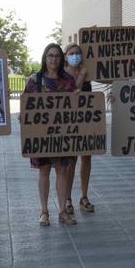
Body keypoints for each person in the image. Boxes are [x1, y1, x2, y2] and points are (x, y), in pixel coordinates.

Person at [26, 44, 78, 226]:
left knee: (62, 170)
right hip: (42, 134)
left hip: (63, 134)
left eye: (56, 56)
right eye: (50, 55)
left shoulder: (68, 80)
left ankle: (62, 211)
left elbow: (77, 106)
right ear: (44, 58)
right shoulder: (35, 80)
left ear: (61, 58)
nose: (53, 59)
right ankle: (44, 211)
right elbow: (26, 105)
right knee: (44, 170)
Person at [62, 43, 96, 215]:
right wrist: (82, 75)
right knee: (70, 161)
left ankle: (84, 196)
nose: (75, 56)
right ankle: (67, 199)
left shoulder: (88, 72)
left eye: (78, 53)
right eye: (72, 53)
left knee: (86, 158)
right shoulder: (62, 74)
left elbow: (109, 77)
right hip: (68, 121)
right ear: (66, 56)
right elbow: (73, 92)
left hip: (86, 119)